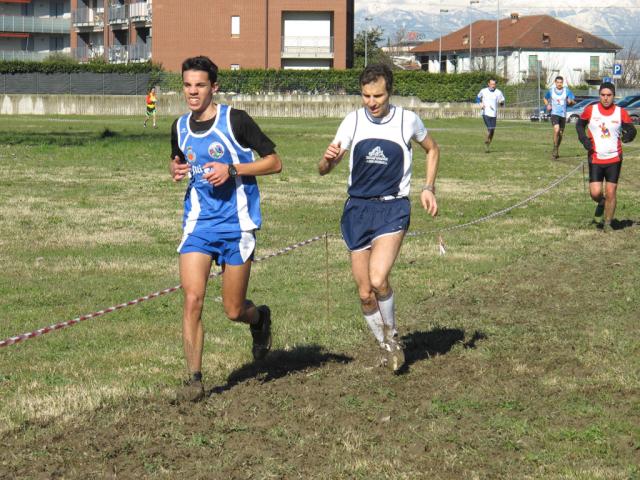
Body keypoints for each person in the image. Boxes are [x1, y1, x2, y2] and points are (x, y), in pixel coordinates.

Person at [168, 56, 282, 402]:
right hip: (199, 224)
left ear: (213, 87)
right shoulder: (179, 126)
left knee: (233, 310)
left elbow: (275, 162)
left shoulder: (235, 120)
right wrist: (176, 171)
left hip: (237, 225)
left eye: (200, 85)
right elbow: (180, 161)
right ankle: (195, 380)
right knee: (192, 299)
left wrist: (233, 169)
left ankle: (259, 319)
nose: (193, 92)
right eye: (187, 85)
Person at [318, 64, 439, 373]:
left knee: (377, 279)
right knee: (364, 293)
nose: (371, 102)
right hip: (357, 210)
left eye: (378, 96)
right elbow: (323, 168)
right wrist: (327, 160)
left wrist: (428, 187)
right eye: (366, 95)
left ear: (390, 92)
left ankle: (393, 336)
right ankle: (387, 346)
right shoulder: (353, 121)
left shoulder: (407, 120)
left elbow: (432, 149)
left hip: (392, 208)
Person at [576, 82, 636, 232]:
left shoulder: (620, 112)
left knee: (611, 192)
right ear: (599, 96)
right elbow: (579, 125)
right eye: (603, 95)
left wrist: (628, 136)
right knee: (595, 192)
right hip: (595, 157)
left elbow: (631, 129)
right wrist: (584, 140)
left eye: (609, 95)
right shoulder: (591, 110)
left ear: (613, 96)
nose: (606, 98)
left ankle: (608, 223)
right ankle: (601, 203)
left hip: (614, 158)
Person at [543, 76, 576, 160]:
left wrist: (570, 101)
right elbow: (545, 98)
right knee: (556, 130)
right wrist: (548, 105)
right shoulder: (551, 91)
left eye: (561, 82)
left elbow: (572, 100)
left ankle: (556, 148)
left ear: (562, 83)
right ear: (555, 82)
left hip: (563, 115)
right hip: (554, 114)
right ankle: (555, 147)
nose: (559, 84)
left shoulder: (566, 90)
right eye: (557, 82)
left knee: (560, 134)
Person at [476, 78, 505, 152]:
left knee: (492, 131)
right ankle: (486, 139)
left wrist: (501, 103)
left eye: (494, 84)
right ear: (488, 84)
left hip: (494, 114)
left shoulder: (498, 92)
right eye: (492, 84)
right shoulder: (483, 91)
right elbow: (477, 98)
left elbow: (501, 101)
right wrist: (480, 104)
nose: (493, 85)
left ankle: (487, 146)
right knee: (490, 128)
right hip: (485, 113)